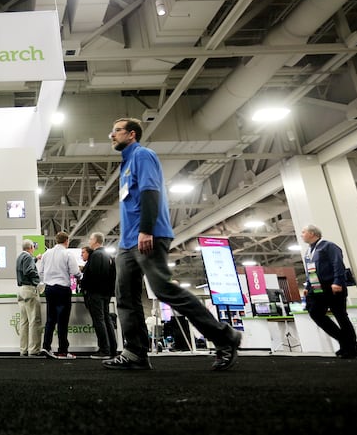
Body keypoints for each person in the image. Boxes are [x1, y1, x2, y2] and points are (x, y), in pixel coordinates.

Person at [103, 117, 241, 371]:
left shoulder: (143, 155)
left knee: (164, 289)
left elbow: (150, 191)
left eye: (117, 131)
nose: (112, 135)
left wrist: (146, 229)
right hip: (127, 243)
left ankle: (225, 337)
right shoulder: (125, 165)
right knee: (125, 297)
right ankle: (135, 353)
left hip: (148, 235)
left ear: (132, 134)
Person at [301, 225, 357, 358]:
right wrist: (307, 286)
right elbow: (310, 270)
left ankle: (351, 349)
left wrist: (338, 281)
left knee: (340, 316)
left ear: (312, 233)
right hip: (316, 288)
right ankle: (345, 342)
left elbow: (337, 263)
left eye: (303, 232)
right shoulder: (309, 251)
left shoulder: (328, 246)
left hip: (332, 286)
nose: (301, 235)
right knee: (315, 313)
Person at [38, 231, 82, 359]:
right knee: (63, 320)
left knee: (50, 319)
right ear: (67, 241)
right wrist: (81, 276)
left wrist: (47, 281)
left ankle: (46, 346)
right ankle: (63, 351)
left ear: (56, 240)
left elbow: (40, 272)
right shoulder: (67, 253)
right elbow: (75, 271)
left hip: (49, 289)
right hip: (63, 289)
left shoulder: (46, 254)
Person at [80, 232, 118, 359]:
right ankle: (112, 349)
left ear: (96, 241)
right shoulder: (109, 256)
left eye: (91, 239)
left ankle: (104, 349)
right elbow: (113, 276)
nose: (89, 241)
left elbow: (93, 275)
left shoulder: (95, 255)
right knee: (106, 319)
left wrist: (84, 286)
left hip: (95, 293)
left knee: (99, 320)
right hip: (106, 293)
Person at [16, 239, 42, 357]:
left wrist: (36, 259)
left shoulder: (20, 257)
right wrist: (38, 281)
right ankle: (34, 349)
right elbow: (29, 270)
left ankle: (24, 349)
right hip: (29, 290)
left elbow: (26, 266)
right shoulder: (28, 257)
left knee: (24, 322)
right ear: (31, 247)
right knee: (34, 321)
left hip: (21, 290)